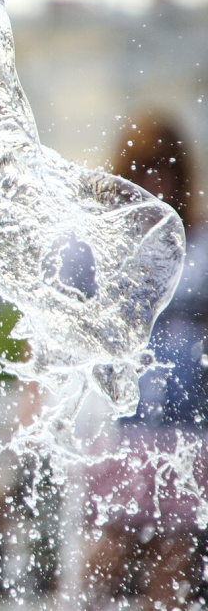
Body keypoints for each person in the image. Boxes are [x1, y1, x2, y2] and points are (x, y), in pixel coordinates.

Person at [82, 111, 208, 610]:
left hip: (190, 426)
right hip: (128, 427)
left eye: (166, 166)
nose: (156, 179)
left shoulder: (200, 242)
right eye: (145, 167)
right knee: (108, 550)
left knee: (175, 557)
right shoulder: (110, 246)